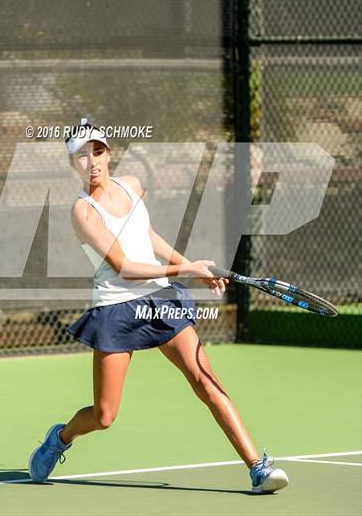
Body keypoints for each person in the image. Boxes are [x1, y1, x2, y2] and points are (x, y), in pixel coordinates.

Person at [28, 119, 289, 494]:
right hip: (116, 309)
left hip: (160, 301)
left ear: (108, 151)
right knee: (104, 416)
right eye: (82, 155)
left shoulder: (132, 185)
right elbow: (124, 267)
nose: (93, 161)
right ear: (73, 164)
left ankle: (258, 468)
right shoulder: (82, 213)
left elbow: (147, 237)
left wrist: (192, 268)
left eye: (98, 150)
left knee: (206, 381)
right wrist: (189, 267)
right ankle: (61, 437)